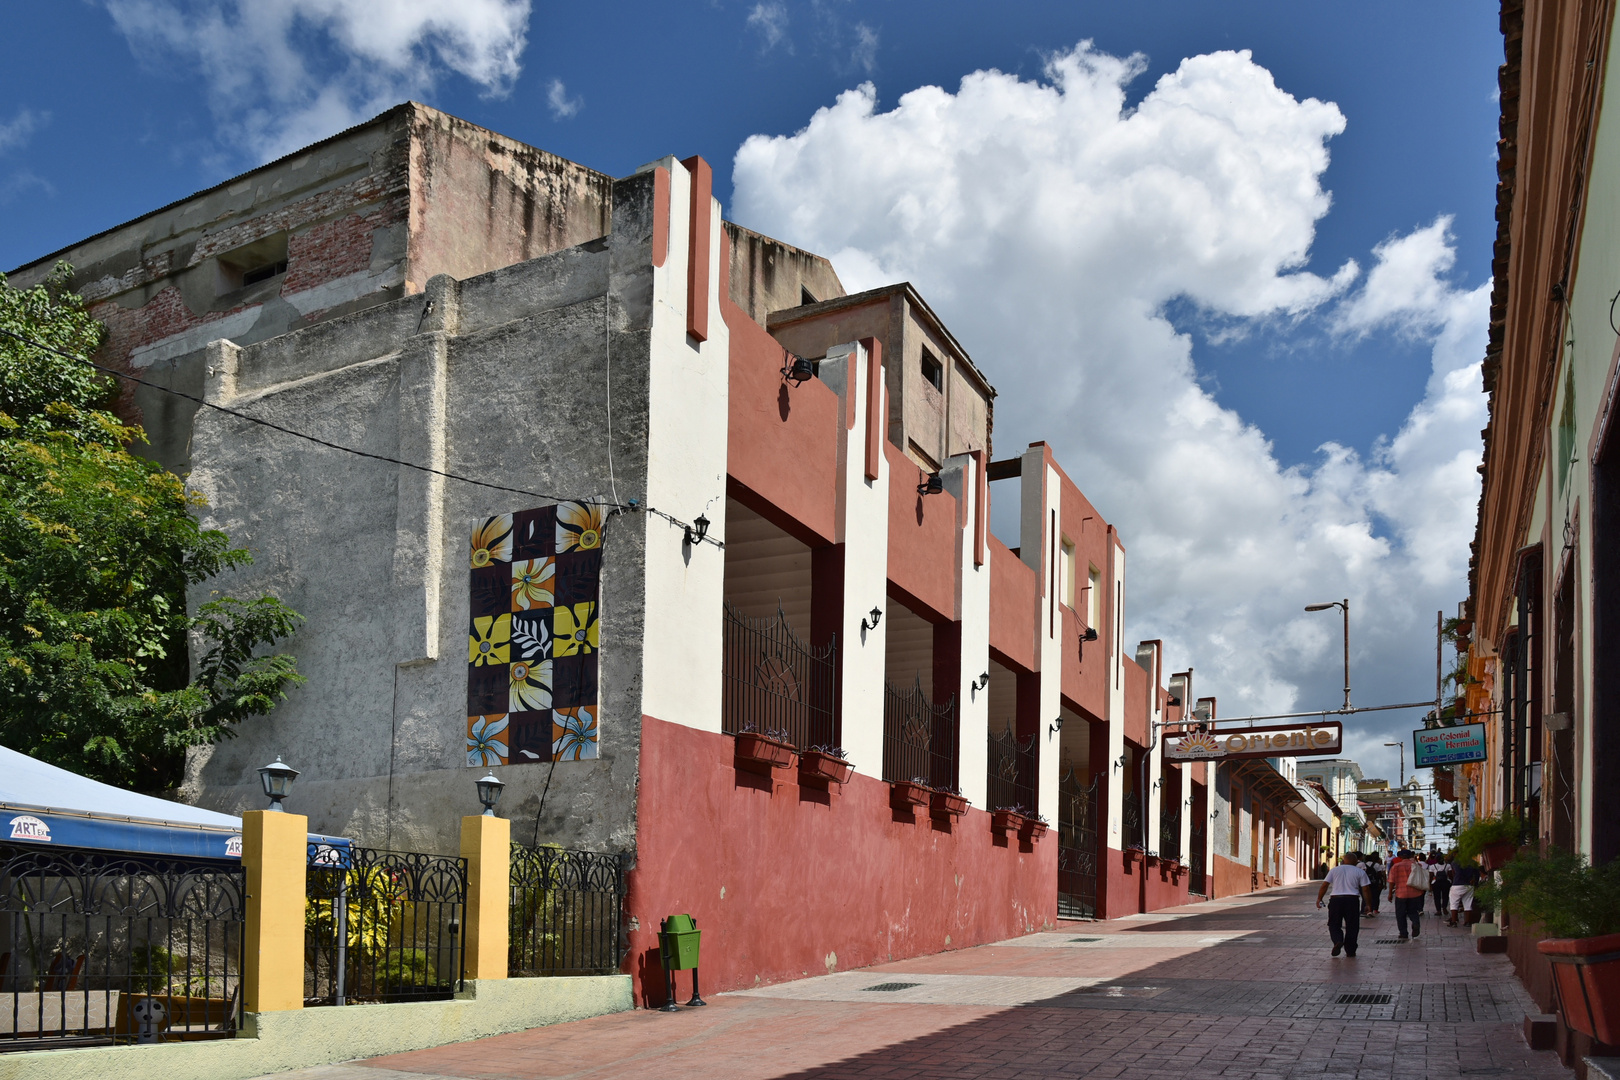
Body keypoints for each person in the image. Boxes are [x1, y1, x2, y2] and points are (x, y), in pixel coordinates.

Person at [1317, 852, 1373, 957]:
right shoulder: (1360, 872)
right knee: (1352, 926)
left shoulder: (1334, 870)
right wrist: (1368, 904)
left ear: (1344, 860)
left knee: (1334, 924)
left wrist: (1319, 898)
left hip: (1336, 900)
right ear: (1356, 861)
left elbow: (1325, 885)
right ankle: (1350, 950)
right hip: (1352, 900)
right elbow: (1365, 889)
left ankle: (1338, 940)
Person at [1387, 848, 1428, 940]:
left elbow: (1391, 881)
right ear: (1411, 856)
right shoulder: (1416, 865)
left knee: (1400, 914)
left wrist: (1390, 894)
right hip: (1415, 894)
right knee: (1413, 911)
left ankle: (1403, 933)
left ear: (1400, 856)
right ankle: (1415, 922)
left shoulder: (1396, 866)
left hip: (1400, 894)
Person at [1450, 858, 1481, 927]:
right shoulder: (1473, 862)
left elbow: (1453, 872)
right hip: (1469, 885)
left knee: (1454, 904)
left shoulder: (1455, 861)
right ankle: (1467, 922)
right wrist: (1475, 883)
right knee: (1468, 904)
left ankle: (1454, 921)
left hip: (1457, 884)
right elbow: (1477, 874)